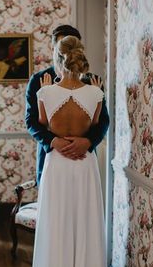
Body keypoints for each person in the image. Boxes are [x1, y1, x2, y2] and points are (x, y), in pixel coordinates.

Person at [32, 35, 107, 267]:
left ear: (59, 58)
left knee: (56, 219)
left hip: (57, 163)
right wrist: (96, 93)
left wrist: (44, 93)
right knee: (86, 218)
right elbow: (95, 124)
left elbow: (43, 123)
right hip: (84, 163)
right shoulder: (96, 93)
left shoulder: (45, 92)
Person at [25, 24, 109, 185]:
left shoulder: (92, 82)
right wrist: (53, 141)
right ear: (53, 48)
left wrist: (88, 141)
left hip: (83, 157)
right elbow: (31, 122)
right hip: (51, 156)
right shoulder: (39, 81)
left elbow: (103, 120)